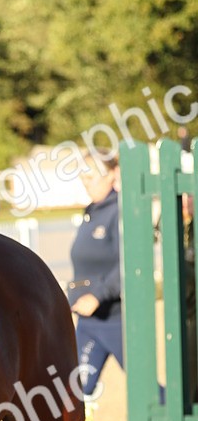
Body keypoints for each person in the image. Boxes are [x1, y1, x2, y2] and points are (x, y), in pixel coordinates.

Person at [68, 155, 123, 395]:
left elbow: (127, 266)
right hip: (88, 323)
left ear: (111, 174)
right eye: (82, 178)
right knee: (76, 392)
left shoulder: (119, 212)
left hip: (117, 320)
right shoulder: (91, 211)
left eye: (90, 177)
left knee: (148, 391)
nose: (85, 183)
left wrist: (98, 296)